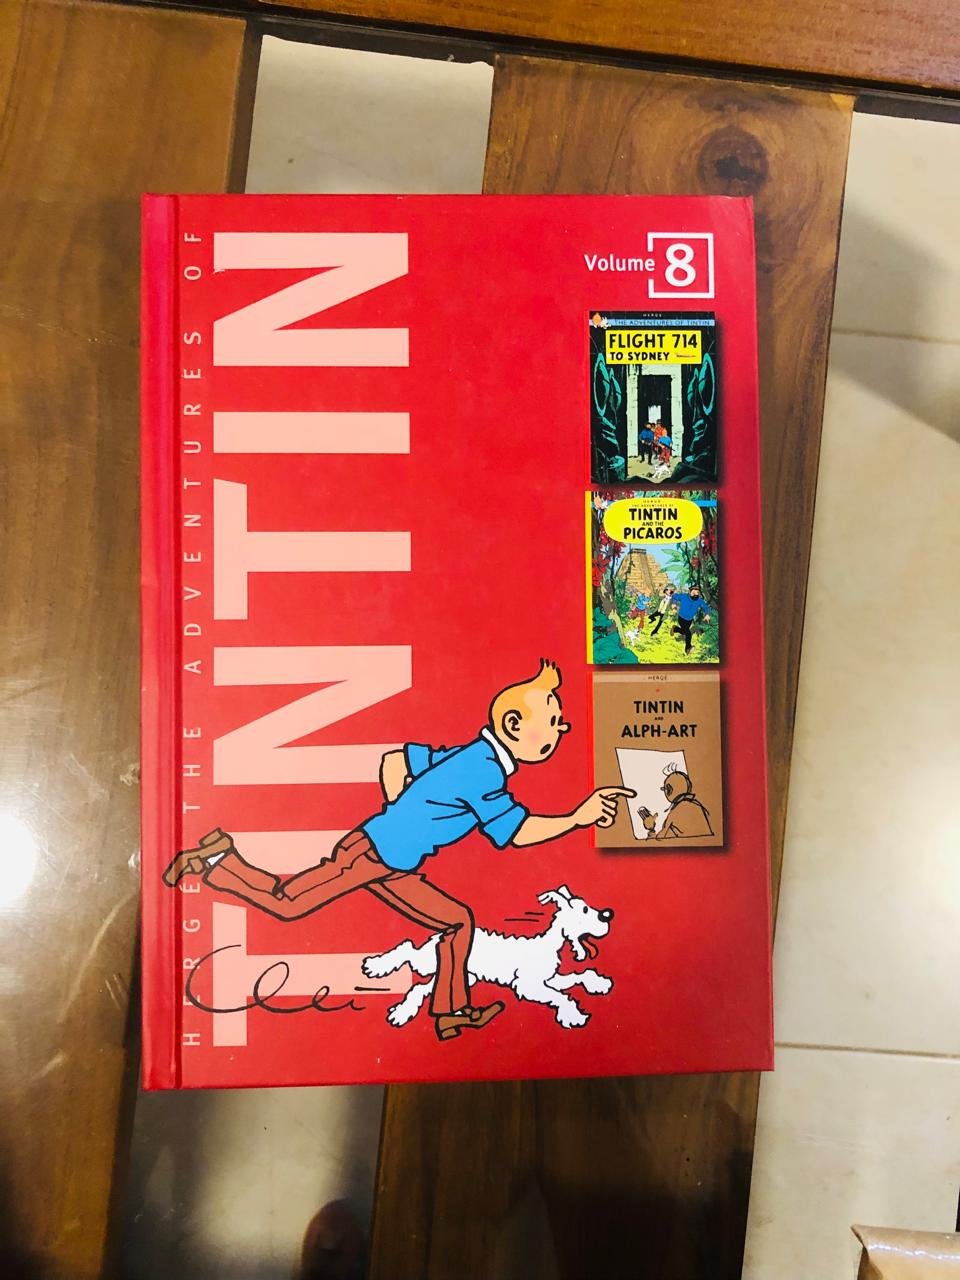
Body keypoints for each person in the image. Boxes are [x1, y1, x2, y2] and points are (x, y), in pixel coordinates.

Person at [163, 660, 633, 1044]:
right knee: (288, 905)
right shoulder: (484, 771)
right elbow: (518, 831)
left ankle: (450, 1012)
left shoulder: (472, 754)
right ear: (513, 724)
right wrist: (578, 817)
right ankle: (218, 860)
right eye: (552, 721)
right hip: (369, 856)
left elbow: (398, 759)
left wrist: (401, 816)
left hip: (390, 862)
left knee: (457, 921)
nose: (563, 726)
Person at [638, 769, 713, 839]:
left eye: (664, 789)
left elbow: (660, 840)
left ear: (669, 790)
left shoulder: (676, 811)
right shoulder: (697, 806)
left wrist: (651, 830)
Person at [670, 585, 712, 654]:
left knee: (684, 632)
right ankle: (688, 648)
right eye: (693, 592)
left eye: (697, 593)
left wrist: (707, 614)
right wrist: (674, 605)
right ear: (689, 592)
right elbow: (674, 596)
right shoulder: (684, 596)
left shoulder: (699, 601)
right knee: (688, 633)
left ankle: (675, 629)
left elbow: (706, 607)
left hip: (689, 620)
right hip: (681, 618)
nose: (695, 594)